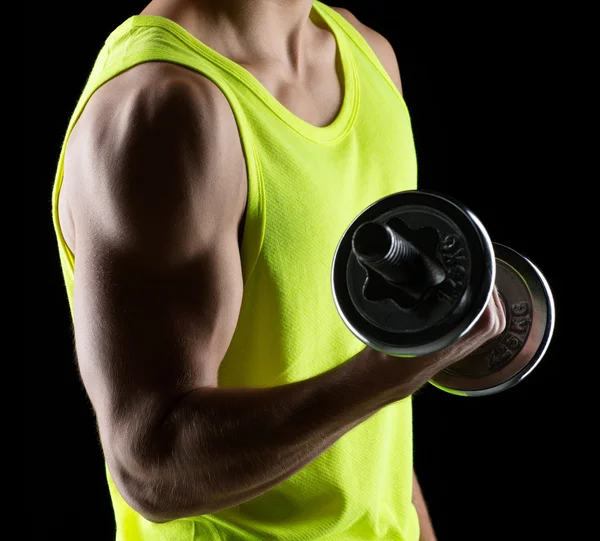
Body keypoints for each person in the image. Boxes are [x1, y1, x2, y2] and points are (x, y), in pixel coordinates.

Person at [50, 1, 506, 539]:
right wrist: (385, 375)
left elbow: (368, 439)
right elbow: (154, 467)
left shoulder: (366, 57)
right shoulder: (163, 110)